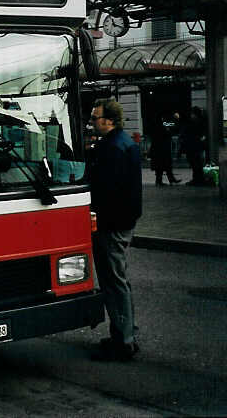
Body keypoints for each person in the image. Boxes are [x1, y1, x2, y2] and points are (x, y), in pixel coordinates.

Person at [87, 98, 142, 361]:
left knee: (113, 281)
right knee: (119, 279)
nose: (92, 122)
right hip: (124, 222)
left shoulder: (111, 149)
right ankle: (125, 332)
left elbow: (105, 191)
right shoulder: (125, 143)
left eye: (95, 118)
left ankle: (123, 340)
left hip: (111, 224)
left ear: (109, 119)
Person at [150, 113, 180, 185]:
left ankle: (161, 180)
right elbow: (168, 133)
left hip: (158, 149)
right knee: (165, 165)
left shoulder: (156, 126)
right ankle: (168, 179)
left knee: (160, 166)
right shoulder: (161, 126)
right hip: (162, 149)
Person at [179, 107, 207, 185]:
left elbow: (188, 133)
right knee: (197, 163)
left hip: (193, 146)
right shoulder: (201, 122)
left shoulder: (194, 123)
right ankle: (198, 179)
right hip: (196, 146)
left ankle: (197, 179)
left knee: (195, 163)